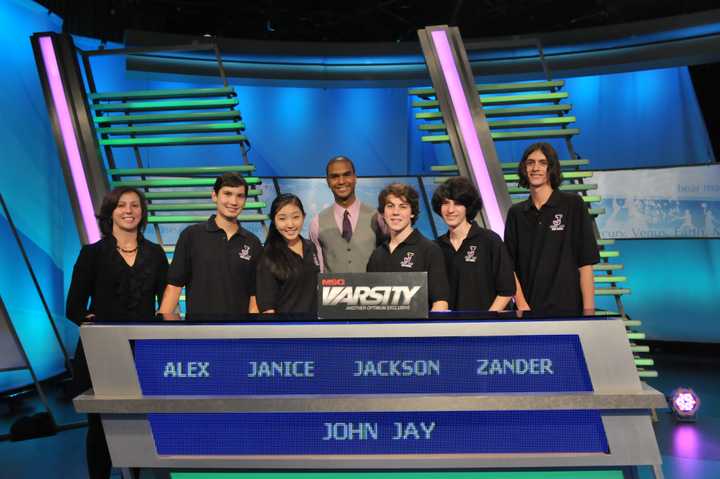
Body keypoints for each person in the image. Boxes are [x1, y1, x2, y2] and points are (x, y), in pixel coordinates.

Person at [66, 187, 168, 479]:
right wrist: (97, 326)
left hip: (143, 352)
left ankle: (132, 475)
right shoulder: (92, 254)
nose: (129, 210)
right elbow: (73, 307)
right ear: (110, 211)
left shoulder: (155, 253)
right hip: (102, 353)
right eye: (121, 205)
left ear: (142, 213)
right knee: (99, 424)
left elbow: (165, 303)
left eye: (135, 205)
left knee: (135, 422)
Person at [504, 142, 600, 315]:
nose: (535, 168)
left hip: (568, 310)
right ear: (524, 168)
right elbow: (509, 267)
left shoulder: (573, 205)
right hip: (529, 312)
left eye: (542, 162)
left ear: (551, 168)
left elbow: (585, 263)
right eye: (530, 162)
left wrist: (589, 314)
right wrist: (522, 306)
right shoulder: (516, 213)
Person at [158, 172, 261, 315]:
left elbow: (254, 297)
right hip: (198, 332)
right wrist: (162, 329)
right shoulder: (191, 235)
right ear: (214, 196)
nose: (233, 201)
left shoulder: (253, 242)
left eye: (240, 196)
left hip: (239, 331)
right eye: (227, 194)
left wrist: (252, 333)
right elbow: (174, 287)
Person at [432, 177, 515, 311]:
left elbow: (506, 291)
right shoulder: (436, 247)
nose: (450, 210)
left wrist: (486, 322)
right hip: (450, 327)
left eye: (457, 204)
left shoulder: (489, 240)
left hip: (485, 326)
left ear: (468, 207)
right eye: (445, 203)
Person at [366, 182, 449, 311]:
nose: (395, 212)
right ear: (383, 213)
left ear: (412, 213)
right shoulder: (377, 254)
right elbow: (370, 304)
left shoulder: (429, 249)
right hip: (383, 329)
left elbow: (440, 303)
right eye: (390, 206)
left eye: (403, 207)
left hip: (418, 330)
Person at [309, 155, 385, 273]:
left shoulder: (378, 218)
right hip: (333, 291)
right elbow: (319, 271)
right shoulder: (316, 223)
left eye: (346, 175)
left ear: (355, 177)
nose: (341, 181)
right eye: (334, 176)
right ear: (328, 181)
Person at [256, 194, 320, 313]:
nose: (290, 224)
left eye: (296, 217)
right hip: (286, 328)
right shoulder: (268, 256)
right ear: (274, 221)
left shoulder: (311, 247)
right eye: (282, 218)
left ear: (304, 217)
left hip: (314, 326)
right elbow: (267, 308)